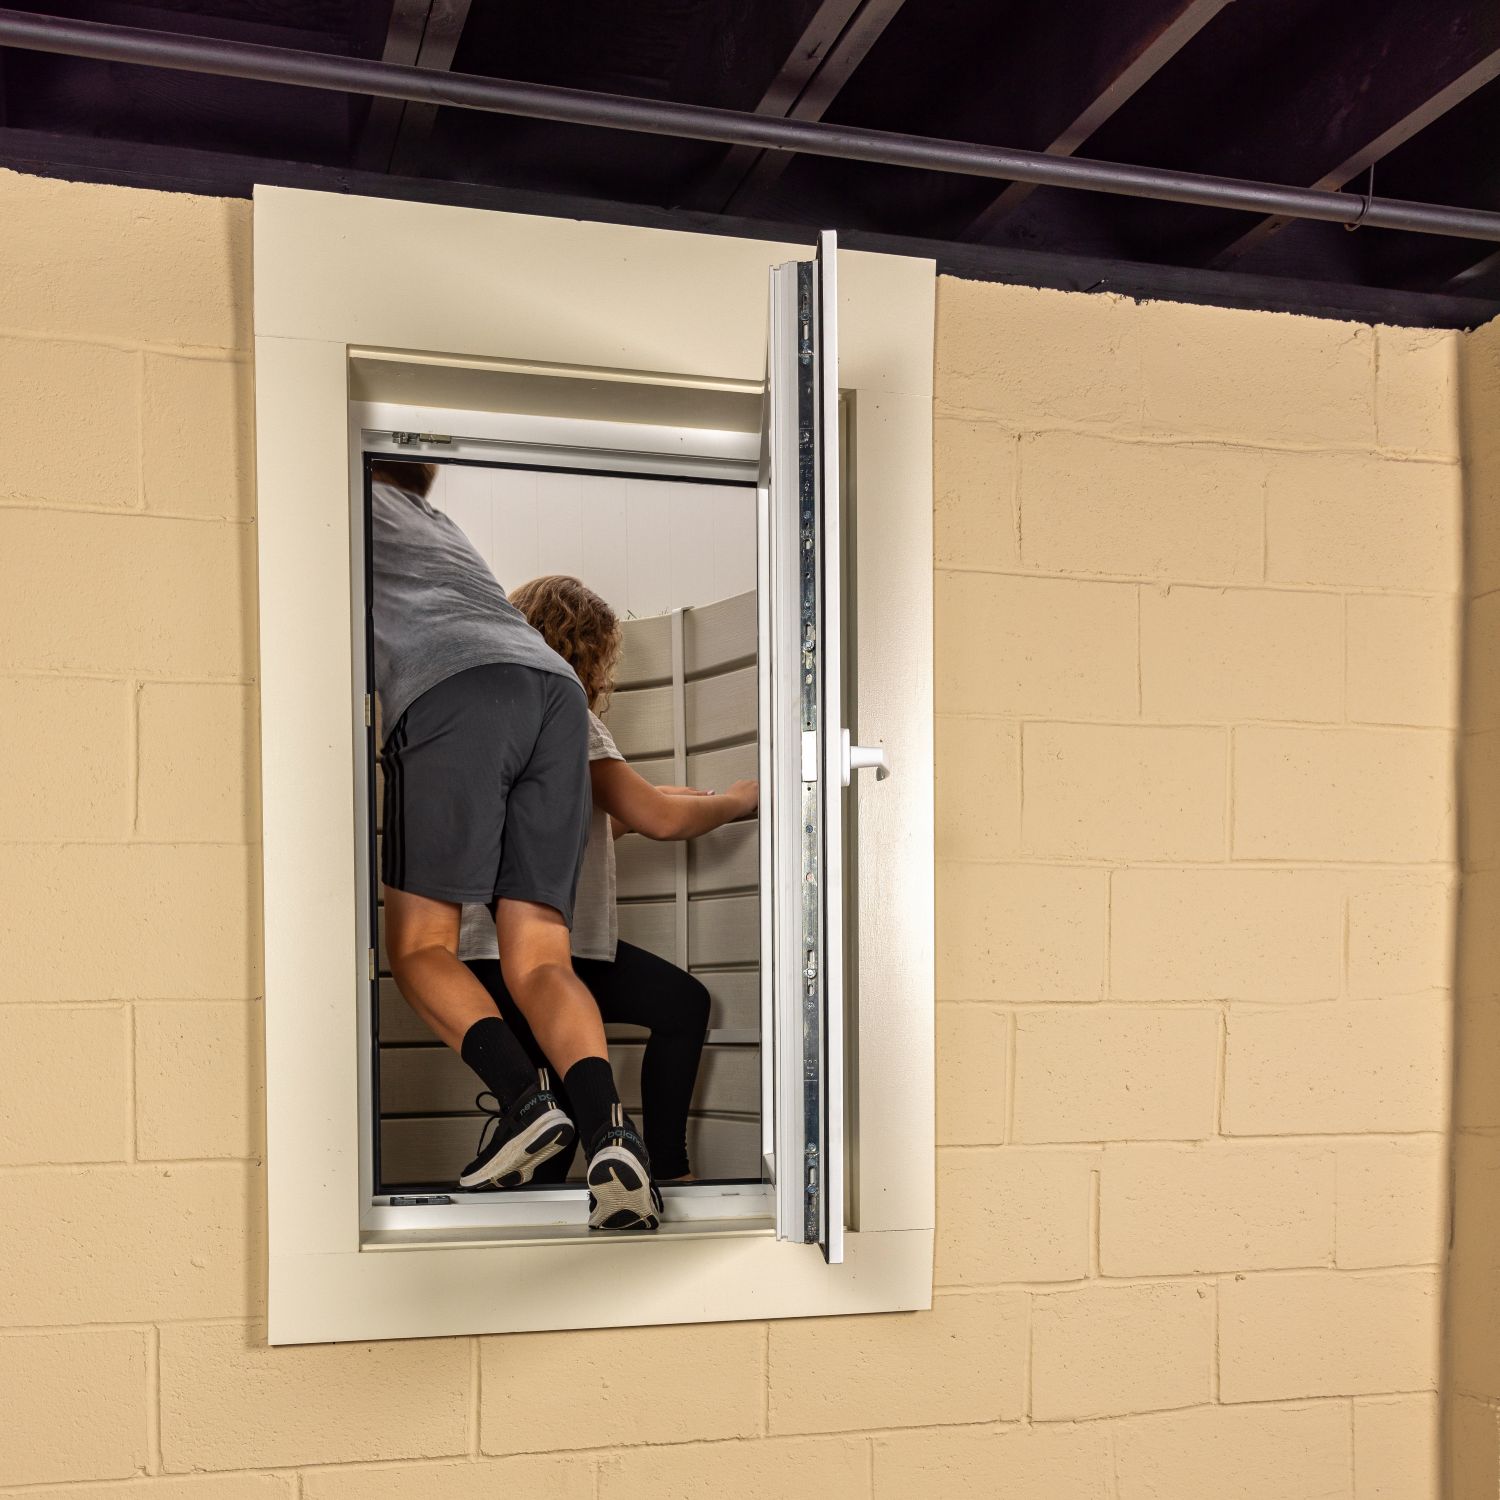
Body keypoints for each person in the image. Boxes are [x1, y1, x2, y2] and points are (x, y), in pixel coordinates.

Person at [370, 460, 661, 1231]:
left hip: (453, 687)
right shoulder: (439, 527)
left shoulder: (348, 493)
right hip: (553, 695)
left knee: (421, 945)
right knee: (541, 957)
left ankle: (525, 1102)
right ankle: (611, 1134)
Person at [457, 574, 759, 1185]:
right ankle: (666, 1171)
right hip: (546, 951)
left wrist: (635, 813)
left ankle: (558, 1209)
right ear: (588, 649)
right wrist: (734, 801)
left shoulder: (494, 718)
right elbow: (660, 815)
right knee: (677, 1010)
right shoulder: (566, 712)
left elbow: (565, 829)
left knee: (557, 1115)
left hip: (486, 954)